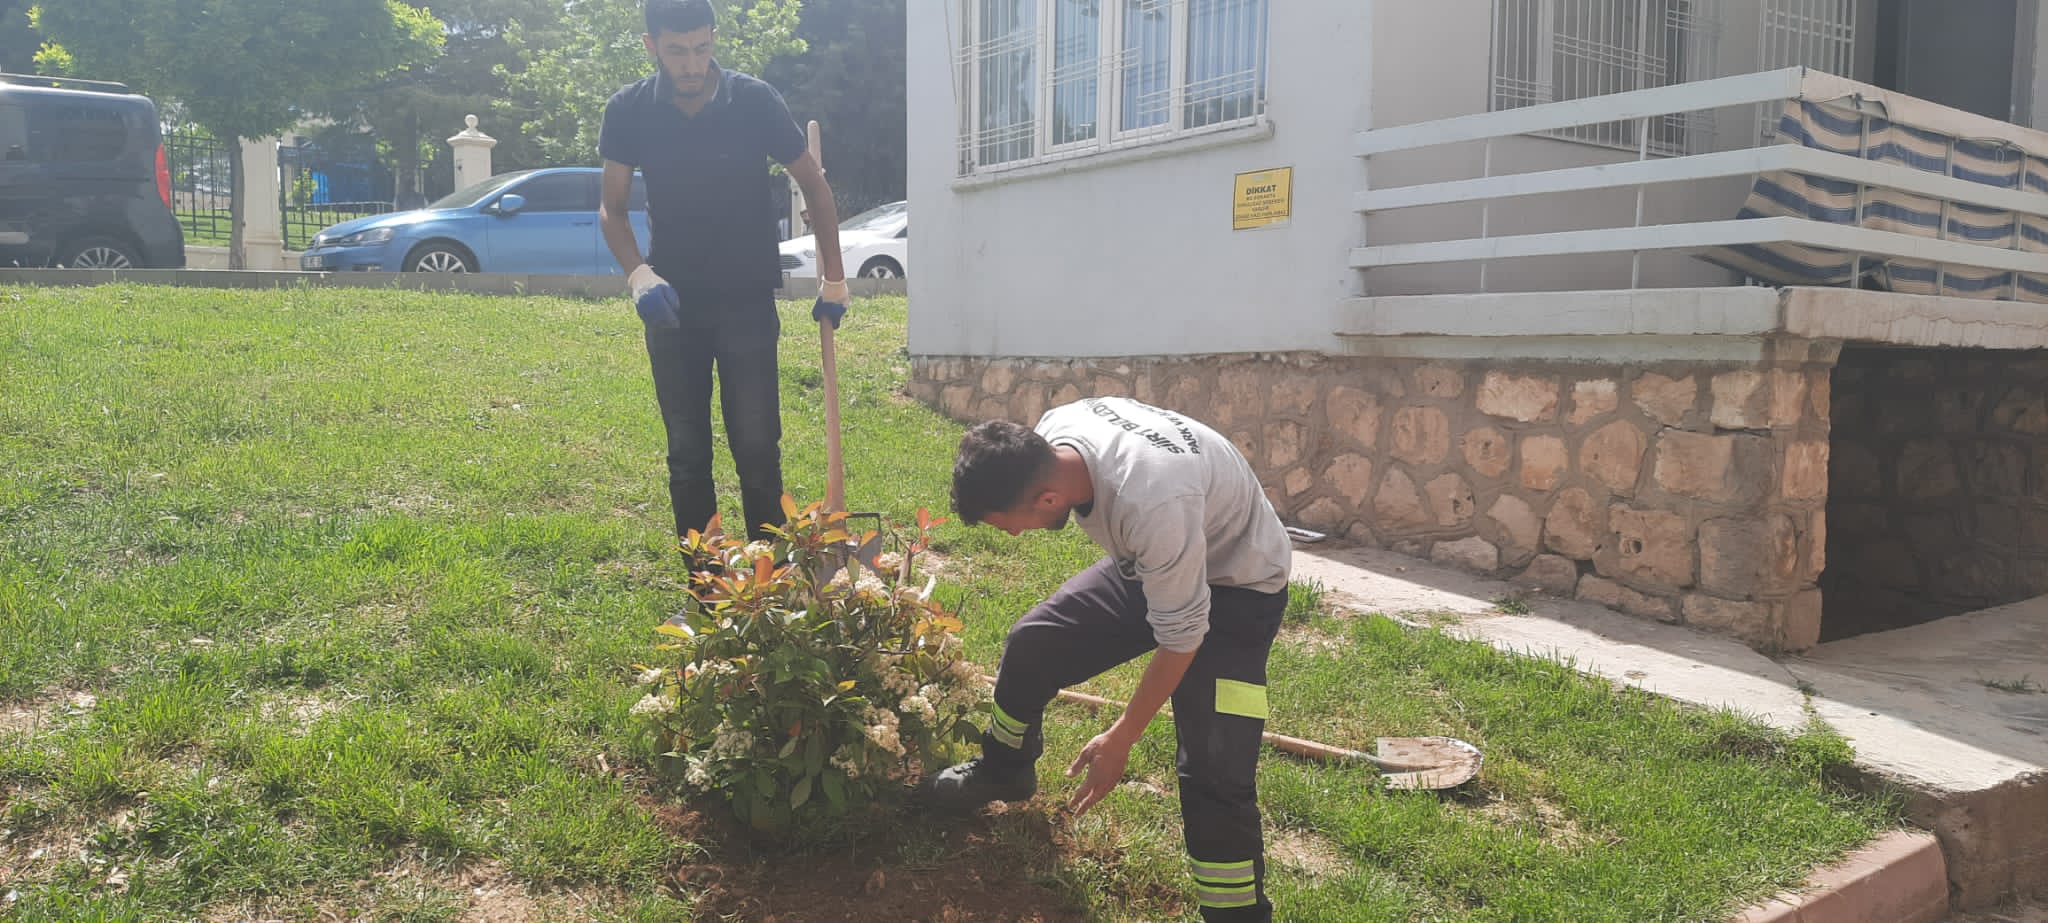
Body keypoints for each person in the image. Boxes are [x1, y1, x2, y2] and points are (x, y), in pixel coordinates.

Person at [929, 396, 1292, 923]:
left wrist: (1121, 737)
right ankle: (1004, 770)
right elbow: (1164, 584)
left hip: (1240, 588)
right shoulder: (1058, 429)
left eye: (1008, 523)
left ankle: (1237, 916)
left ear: (1049, 497)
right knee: (1034, 643)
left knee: (1216, 766)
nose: (1011, 535)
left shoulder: (1152, 502)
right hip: (1155, 565)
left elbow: (1183, 638)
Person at [597, 0, 847, 542]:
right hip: (672, 305)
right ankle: (709, 592)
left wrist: (835, 278)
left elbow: (815, 184)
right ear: (652, 47)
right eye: (677, 52)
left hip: (747, 301)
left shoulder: (753, 100)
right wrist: (639, 274)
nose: (691, 64)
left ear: (713, 39)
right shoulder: (629, 109)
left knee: (758, 450)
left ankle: (766, 590)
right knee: (687, 455)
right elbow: (611, 208)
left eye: (702, 48)